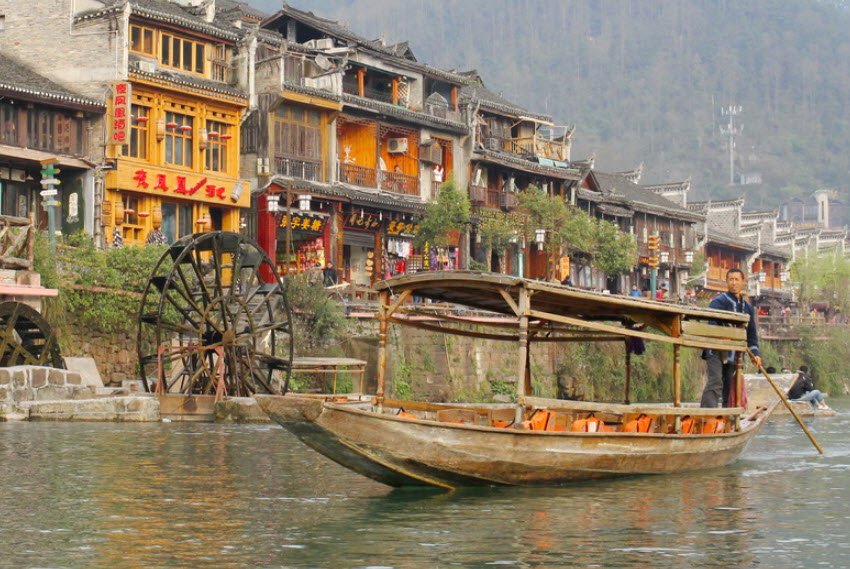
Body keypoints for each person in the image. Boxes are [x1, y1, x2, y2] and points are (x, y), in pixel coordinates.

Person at [700, 268, 762, 408]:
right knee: (715, 382)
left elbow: (751, 336)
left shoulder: (748, 308)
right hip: (715, 350)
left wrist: (755, 354)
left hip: (735, 354)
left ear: (743, 282)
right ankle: (707, 417)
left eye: (737, 280)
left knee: (729, 386)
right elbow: (711, 324)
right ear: (727, 282)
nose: (734, 283)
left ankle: (727, 419)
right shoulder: (718, 302)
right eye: (731, 280)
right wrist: (724, 336)